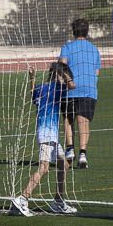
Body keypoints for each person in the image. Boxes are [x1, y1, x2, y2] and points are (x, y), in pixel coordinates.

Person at [14, 62, 77, 217]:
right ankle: (23, 198)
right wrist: (62, 72)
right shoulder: (57, 87)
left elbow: (33, 96)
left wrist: (32, 78)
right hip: (47, 133)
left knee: (63, 163)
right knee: (44, 168)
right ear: (58, 75)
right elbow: (72, 85)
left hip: (49, 134)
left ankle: (58, 201)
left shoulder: (41, 87)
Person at [59, 18, 101, 170]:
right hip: (88, 89)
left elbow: (62, 66)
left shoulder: (67, 47)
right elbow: (97, 72)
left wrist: (66, 81)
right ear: (87, 31)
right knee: (83, 121)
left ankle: (70, 149)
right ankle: (83, 154)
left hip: (70, 89)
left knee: (68, 119)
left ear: (73, 31)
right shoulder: (94, 49)